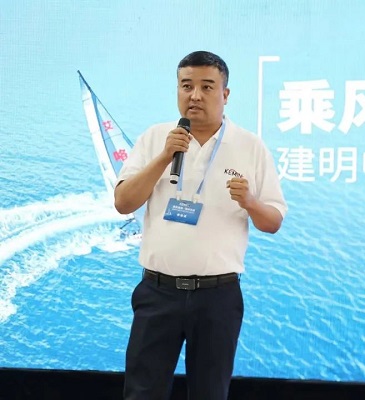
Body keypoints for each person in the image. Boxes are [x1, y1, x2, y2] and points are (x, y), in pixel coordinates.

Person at [114, 50, 287, 400]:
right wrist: (164, 156)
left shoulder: (250, 146)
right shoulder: (156, 138)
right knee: (142, 392)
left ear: (225, 94)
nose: (195, 95)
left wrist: (251, 202)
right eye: (186, 86)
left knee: (210, 393)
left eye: (207, 87)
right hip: (158, 292)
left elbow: (273, 222)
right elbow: (123, 203)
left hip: (217, 297)